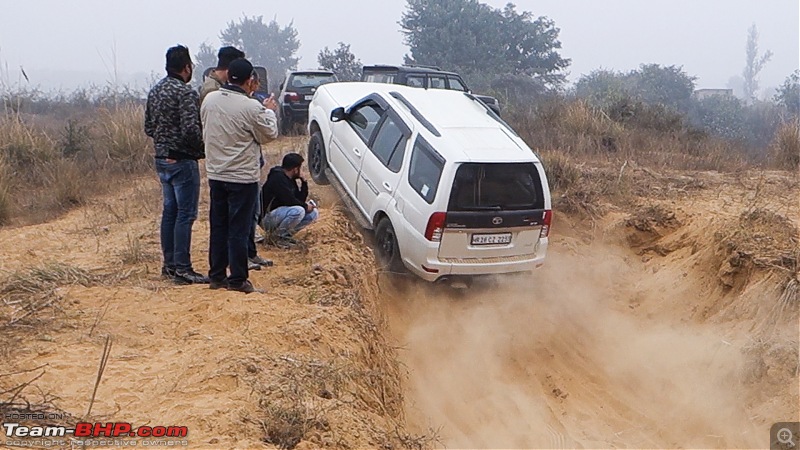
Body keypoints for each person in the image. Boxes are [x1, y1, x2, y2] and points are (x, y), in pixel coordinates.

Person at [201, 58, 279, 294]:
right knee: (239, 229)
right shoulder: (251, 107)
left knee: (219, 225)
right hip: (242, 177)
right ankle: (237, 279)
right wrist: (269, 111)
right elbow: (269, 134)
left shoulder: (209, 100)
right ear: (250, 81)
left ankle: (216, 275)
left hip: (216, 173)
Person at [144, 44, 208, 285]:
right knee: (185, 214)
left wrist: (164, 141)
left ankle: (169, 266)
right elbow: (192, 130)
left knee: (169, 212)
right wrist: (202, 150)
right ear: (187, 67)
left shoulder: (155, 91)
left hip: (161, 160)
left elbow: (148, 127)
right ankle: (183, 269)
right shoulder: (186, 93)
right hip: (182, 161)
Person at [259, 153, 319, 248]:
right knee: (298, 211)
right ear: (295, 169)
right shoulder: (277, 178)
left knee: (313, 213)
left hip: (281, 214)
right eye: (300, 168)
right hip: (267, 217)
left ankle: (285, 236)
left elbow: (299, 200)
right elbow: (289, 201)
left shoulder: (290, 179)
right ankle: (278, 238)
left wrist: (304, 182)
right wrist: (305, 206)